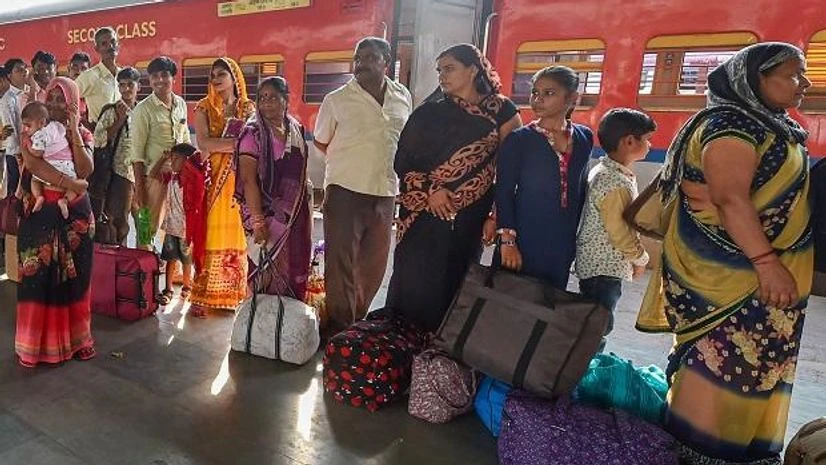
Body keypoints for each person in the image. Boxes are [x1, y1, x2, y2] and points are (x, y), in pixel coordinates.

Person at [637, 43, 813, 465]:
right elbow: (731, 200)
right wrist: (768, 265)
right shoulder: (730, 126)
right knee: (722, 369)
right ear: (754, 80)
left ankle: (742, 452)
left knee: (754, 372)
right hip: (735, 283)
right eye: (791, 74)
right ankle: (699, 454)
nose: (803, 83)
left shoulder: (773, 125)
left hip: (764, 286)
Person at [387, 43, 522, 332]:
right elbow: (403, 159)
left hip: (471, 215)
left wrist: (495, 216)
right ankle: (403, 346)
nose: (442, 76)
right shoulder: (429, 113)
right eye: (439, 71)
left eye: (449, 69)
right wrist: (432, 189)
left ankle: (445, 356)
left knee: (457, 277)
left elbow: (508, 170)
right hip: (422, 213)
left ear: (473, 69)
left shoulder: (503, 112)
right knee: (416, 278)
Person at [314, 37, 412, 333]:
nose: (362, 64)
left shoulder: (402, 96)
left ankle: (356, 323)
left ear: (386, 62)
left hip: (385, 192)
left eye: (370, 57)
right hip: (345, 189)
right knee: (340, 264)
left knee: (373, 266)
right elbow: (321, 141)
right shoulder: (337, 100)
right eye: (358, 58)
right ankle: (341, 330)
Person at [15, 76, 95, 367]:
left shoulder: (84, 134)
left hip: (75, 217)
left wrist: (73, 130)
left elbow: (86, 170)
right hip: (39, 214)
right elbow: (35, 164)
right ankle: (35, 346)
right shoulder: (33, 131)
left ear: (73, 102)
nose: (55, 104)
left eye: (62, 99)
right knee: (37, 280)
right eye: (51, 98)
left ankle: (77, 342)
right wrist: (68, 181)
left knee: (75, 280)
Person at [495, 65, 593, 290]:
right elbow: (504, 190)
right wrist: (507, 240)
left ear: (572, 98)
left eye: (549, 93)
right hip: (526, 235)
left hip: (563, 238)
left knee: (550, 299)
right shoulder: (519, 140)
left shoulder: (584, 137)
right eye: (535, 93)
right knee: (511, 301)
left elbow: (579, 188)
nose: (538, 99)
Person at [575, 108, 655, 347]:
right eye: (647, 139)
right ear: (629, 141)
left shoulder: (605, 170)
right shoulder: (614, 182)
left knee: (593, 320)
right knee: (599, 324)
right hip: (604, 268)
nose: (650, 145)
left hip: (597, 264)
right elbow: (619, 231)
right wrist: (640, 258)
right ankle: (583, 366)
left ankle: (582, 361)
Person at [235, 77, 312, 300]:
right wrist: (258, 221)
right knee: (264, 269)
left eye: (273, 97)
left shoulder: (295, 128)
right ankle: (259, 323)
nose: (266, 102)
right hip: (266, 217)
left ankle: (287, 321)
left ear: (286, 100)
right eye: (262, 98)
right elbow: (248, 180)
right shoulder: (253, 133)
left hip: (295, 213)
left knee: (294, 263)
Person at [189, 57, 254, 315]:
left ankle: (231, 292)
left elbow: (253, 143)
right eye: (212, 75)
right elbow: (204, 143)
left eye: (221, 74)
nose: (215, 79)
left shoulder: (247, 109)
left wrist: (225, 144)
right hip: (213, 181)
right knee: (209, 234)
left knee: (238, 234)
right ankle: (203, 294)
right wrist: (235, 144)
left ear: (234, 77)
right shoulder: (204, 107)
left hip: (239, 181)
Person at [131, 56, 190, 243]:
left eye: (164, 75)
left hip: (178, 180)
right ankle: (142, 268)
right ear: (149, 80)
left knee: (175, 231)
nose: (159, 80)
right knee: (146, 231)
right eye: (154, 76)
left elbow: (185, 137)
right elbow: (136, 154)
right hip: (152, 180)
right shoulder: (143, 110)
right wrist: (140, 191)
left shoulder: (180, 104)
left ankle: (167, 270)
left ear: (173, 78)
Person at [92, 67, 139, 245]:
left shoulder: (143, 111)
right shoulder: (111, 111)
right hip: (121, 174)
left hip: (143, 174)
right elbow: (98, 140)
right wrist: (119, 120)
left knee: (144, 219)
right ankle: (120, 261)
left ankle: (146, 255)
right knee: (119, 221)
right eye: (122, 85)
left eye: (130, 85)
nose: (126, 89)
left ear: (138, 87)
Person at [155, 142, 199, 306]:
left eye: (175, 158)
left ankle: (187, 286)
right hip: (171, 226)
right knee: (170, 258)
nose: (171, 162)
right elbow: (154, 174)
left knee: (187, 260)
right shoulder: (171, 178)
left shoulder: (191, 180)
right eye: (171, 158)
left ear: (187, 161)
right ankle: (168, 289)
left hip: (185, 229)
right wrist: (163, 158)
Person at [20, 101, 81, 218]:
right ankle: (65, 201)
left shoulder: (40, 134)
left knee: (35, 181)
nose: (26, 129)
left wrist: (27, 145)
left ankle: (39, 197)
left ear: (41, 122)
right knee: (75, 186)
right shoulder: (56, 126)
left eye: (28, 126)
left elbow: (37, 153)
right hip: (68, 166)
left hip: (51, 166)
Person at [76, 27, 121, 126]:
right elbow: (69, 97)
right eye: (104, 44)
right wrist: (83, 124)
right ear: (97, 49)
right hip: (99, 135)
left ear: (118, 44)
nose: (110, 46)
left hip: (121, 136)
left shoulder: (122, 76)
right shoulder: (89, 77)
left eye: (113, 42)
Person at [0, 59, 28, 198]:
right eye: (19, 70)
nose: (23, 73)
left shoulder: (22, 95)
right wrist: (19, 153)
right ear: (8, 76)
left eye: (24, 69)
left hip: (23, 151)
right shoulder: (8, 99)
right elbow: (9, 129)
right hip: (15, 154)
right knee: (15, 194)